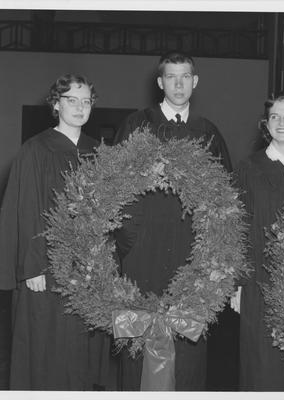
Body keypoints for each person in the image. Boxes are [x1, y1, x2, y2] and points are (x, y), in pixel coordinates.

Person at [113, 51, 232, 391]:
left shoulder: (208, 132)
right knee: (138, 342)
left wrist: (214, 255)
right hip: (143, 251)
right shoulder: (137, 125)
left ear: (194, 82)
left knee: (189, 348)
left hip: (191, 252)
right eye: (171, 77)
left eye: (185, 77)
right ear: (160, 82)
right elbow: (115, 189)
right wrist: (130, 239)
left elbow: (226, 201)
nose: (178, 84)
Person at [0, 74, 116, 390]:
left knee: (81, 351)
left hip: (89, 271)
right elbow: (26, 208)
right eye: (71, 100)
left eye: (86, 101)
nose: (79, 107)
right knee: (47, 350)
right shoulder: (35, 150)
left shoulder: (99, 151)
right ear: (55, 104)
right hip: (46, 270)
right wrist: (32, 266)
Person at [235, 92, 284, 391]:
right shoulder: (247, 168)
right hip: (257, 280)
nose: (282, 123)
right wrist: (238, 284)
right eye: (275, 117)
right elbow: (236, 228)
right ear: (265, 125)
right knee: (259, 362)